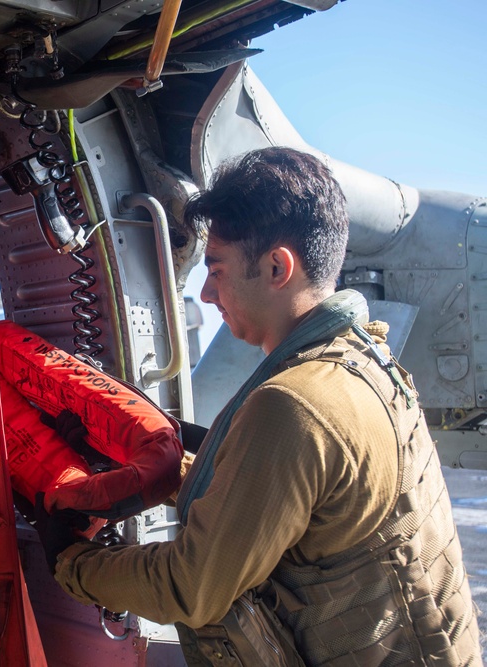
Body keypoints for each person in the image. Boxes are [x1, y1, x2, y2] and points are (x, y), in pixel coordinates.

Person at [45, 147, 482, 665]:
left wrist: (69, 559)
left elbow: (191, 586)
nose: (206, 294)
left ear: (277, 267)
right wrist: (145, 465)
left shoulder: (294, 405)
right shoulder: (365, 360)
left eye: (218, 269)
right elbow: (283, 494)